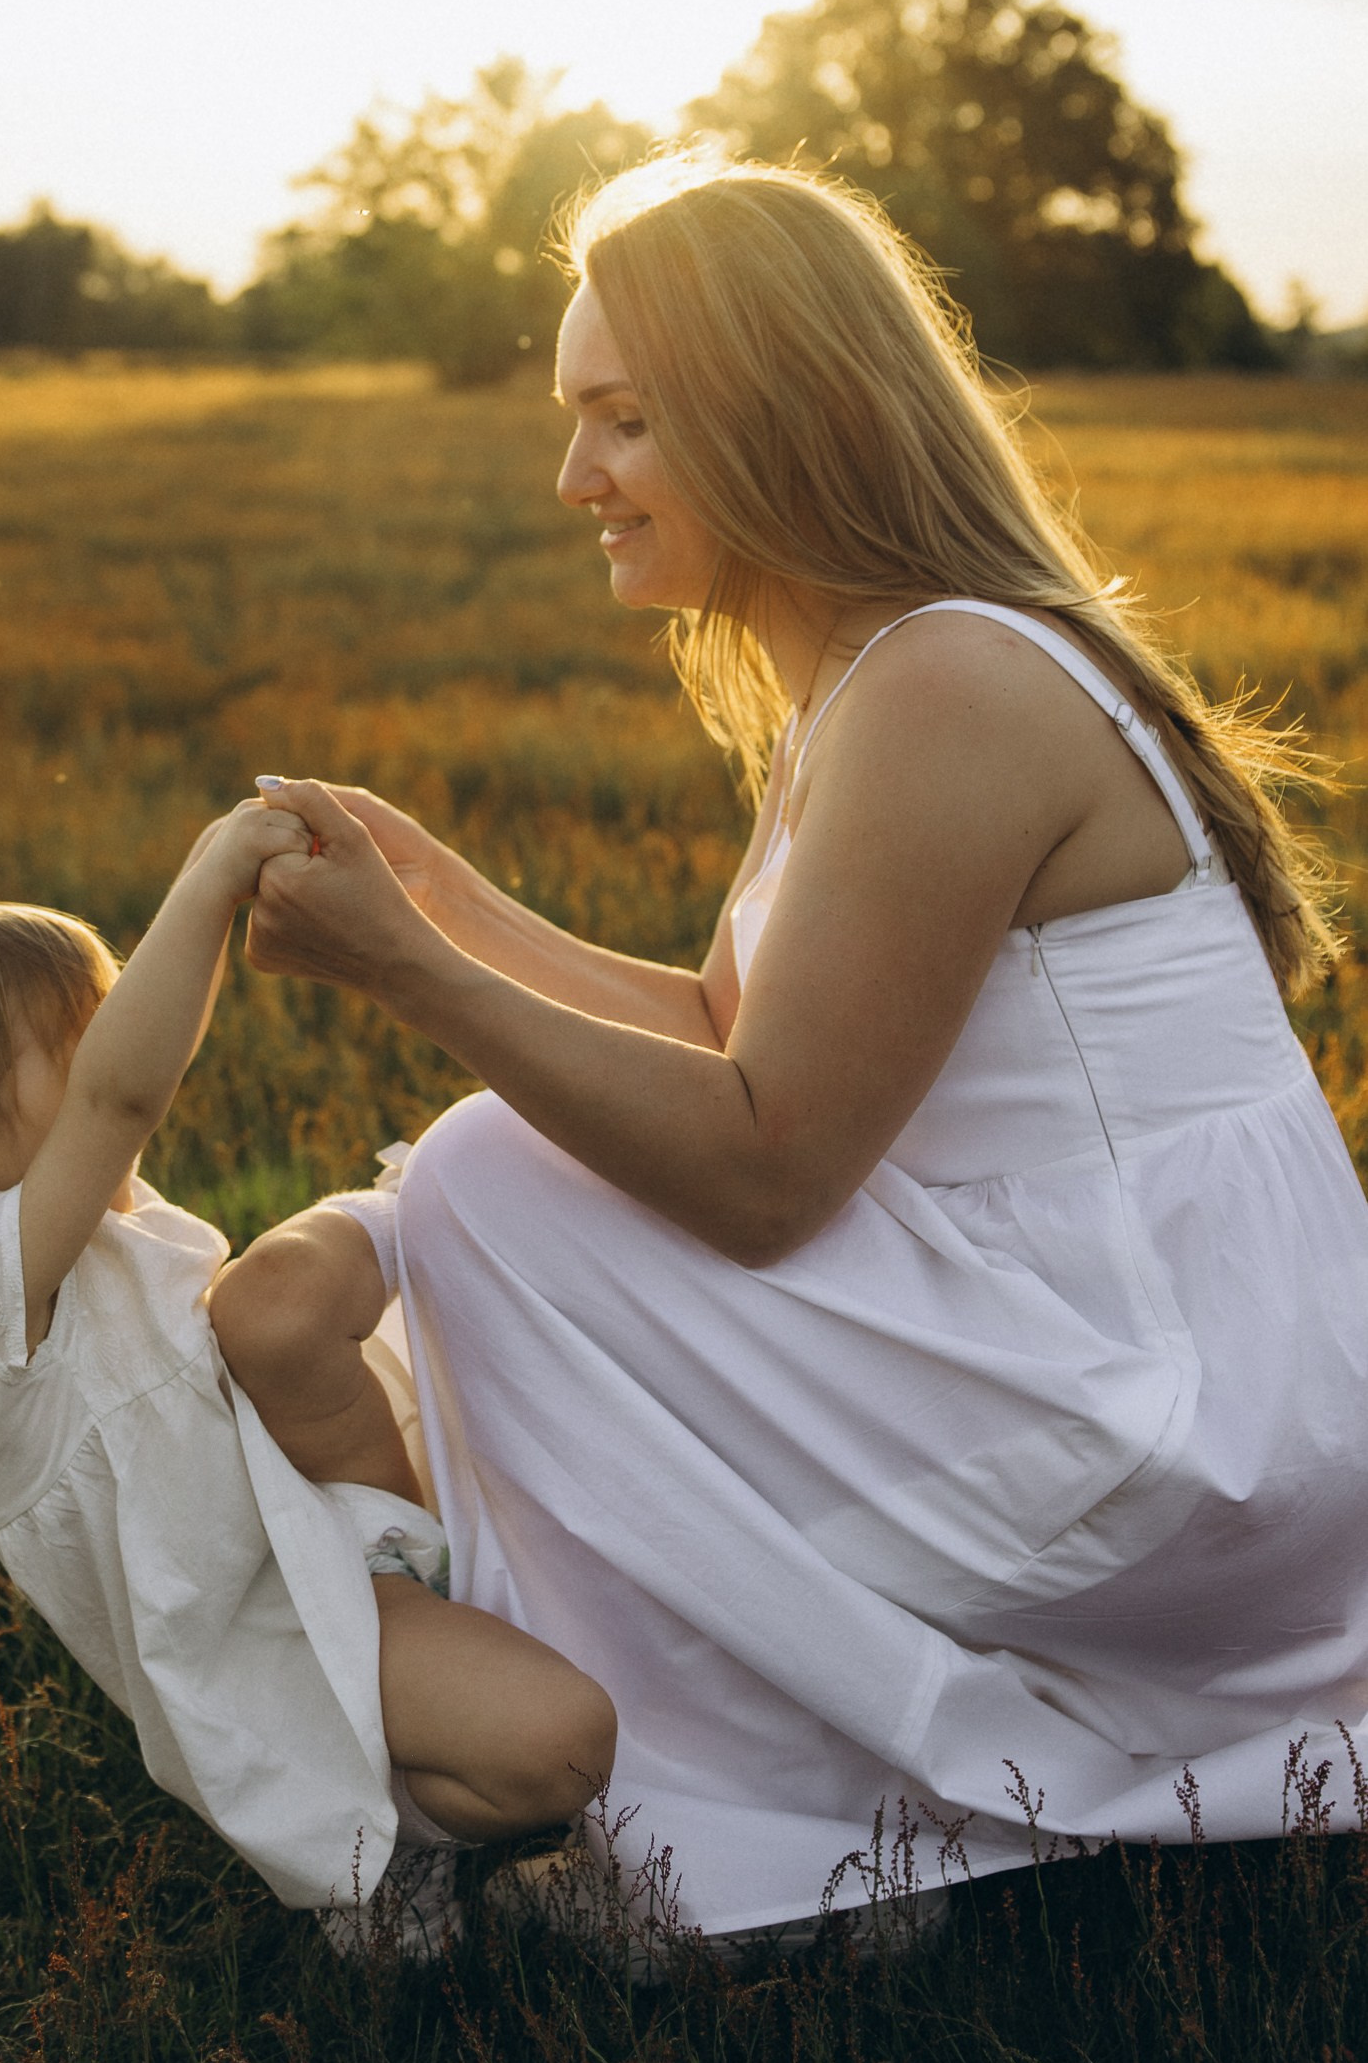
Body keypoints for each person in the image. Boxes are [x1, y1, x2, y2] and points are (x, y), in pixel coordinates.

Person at [211, 149, 1368, 1951]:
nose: (573, 476)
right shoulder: (882, 680)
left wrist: (409, 979)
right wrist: (442, 904)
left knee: (490, 1185)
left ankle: (739, 1840)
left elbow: (760, 1170)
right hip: (1106, 1336)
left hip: (1173, 1404)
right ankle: (747, 1794)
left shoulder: (946, 686)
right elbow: (725, 1035)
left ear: (775, 420)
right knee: (507, 1179)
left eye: (620, 421)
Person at [0, 811, 614, 1947]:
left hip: (327, 1553)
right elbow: (122, 1096)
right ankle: (401, 1861)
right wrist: (213, 875)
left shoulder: (79, 1234)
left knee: (578, 1644)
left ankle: (400, 1831)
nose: (118, 1046)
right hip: (278, 1640)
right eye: (80, 1035)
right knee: (562, 1737)